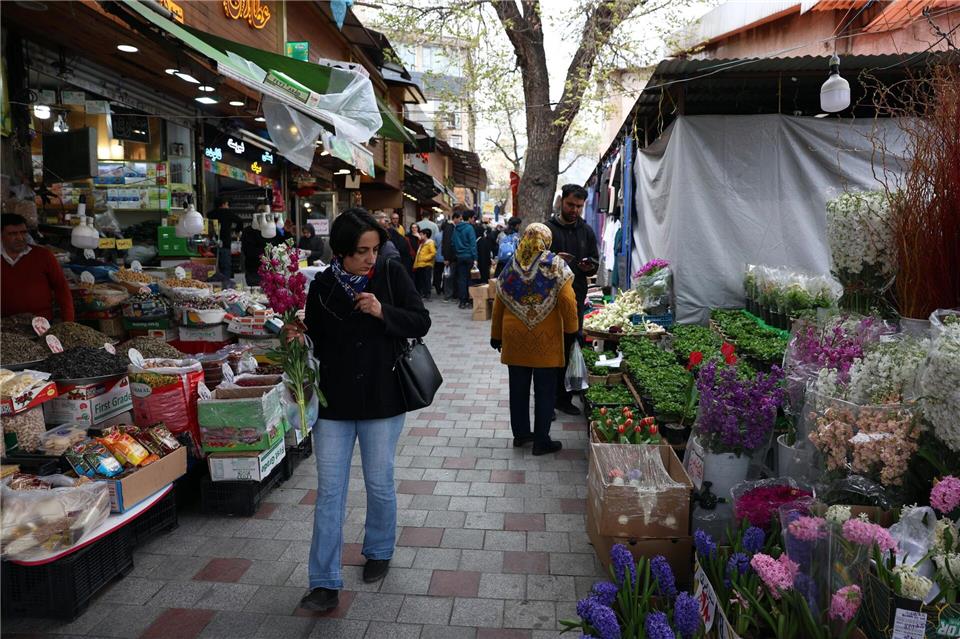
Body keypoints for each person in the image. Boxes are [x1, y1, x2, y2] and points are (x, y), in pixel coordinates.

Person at [297, 207, 430, 612]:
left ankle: (379, 550)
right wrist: (298, 335)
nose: (371, 257)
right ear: (341, 252)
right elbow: (316, 338)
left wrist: (382, 311)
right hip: (334, 403)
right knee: (330, 492)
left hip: (382, 397)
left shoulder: (390, 273)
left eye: (374, 249)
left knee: (379, 482)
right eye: (361, 251)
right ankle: (324, 582)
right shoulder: (322, 285)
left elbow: (420, 321)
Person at [491, 223, 577, 456]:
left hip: (514, 340)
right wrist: (572, 329)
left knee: (518, 390)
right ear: (546, 240)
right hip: (546, 341)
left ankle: (521, 435)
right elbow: (567, 300)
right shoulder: (555, 264)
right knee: (545, 391)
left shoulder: (511, 265)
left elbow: (499, 301)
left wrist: (496, 335)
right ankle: (541, 441)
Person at [547, 184, 599, 415]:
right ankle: (546, 401)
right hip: (548, 300)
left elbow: (594, 263)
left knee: (570, 345)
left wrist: (589, 266)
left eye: (579, 206)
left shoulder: (586, 231)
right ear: (562, 201)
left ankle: (564, 398)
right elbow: (534, 263)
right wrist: (553, 261)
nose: (574, 210)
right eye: (570, 205)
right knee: (549, 349)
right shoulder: (548, 230)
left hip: (576, 298)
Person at [1, 213, 74, 321]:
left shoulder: (44, 256)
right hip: (4, 324)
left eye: (23, 232)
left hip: (40, 323)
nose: (20, 238)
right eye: (12, 234)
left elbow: (62, 288)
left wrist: (68, 321)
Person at [206, 196, 242, 280]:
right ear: (223, 204)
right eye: (227, 204)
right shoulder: (228, 213)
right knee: (226, 267)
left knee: (214, 267)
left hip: (212, 244)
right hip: (225, 243)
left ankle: (215, 284)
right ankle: (225, 284)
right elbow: (240, 221)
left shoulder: (210, 214)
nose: (228, 206)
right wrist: (237, 232)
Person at [451, 208, 478, 309]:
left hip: (459, 257)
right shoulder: (470, 228)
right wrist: (475, 258)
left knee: (461, 279)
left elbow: (453, 243)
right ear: (469, 218)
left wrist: (458, 252)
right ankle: (470, 301)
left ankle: (462, 301)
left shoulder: (456, 228)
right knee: (470, 279)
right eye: (473, 218)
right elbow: (473, 244)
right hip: (469, 256)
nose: (474, 220)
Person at [413, 228, 436, 299]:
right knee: (422, 280)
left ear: (425, 235)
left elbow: (433, 253)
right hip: (420, 264)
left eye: (421, 234)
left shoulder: (430, 243)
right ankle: (423, 293)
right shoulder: (422, 243)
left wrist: (425, 258)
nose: (420, 236)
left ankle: (427, 294)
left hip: (426, 264)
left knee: (427, 279)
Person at [440, 213, 459, 300]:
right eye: (459, 219)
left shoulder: (452, 227)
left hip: (452, 256)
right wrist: (446, 258)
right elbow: (447, 243)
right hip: (450, 257)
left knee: (450, 275)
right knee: (449, 276)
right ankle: (448, 295)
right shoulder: (449, 228)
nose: (460, 221)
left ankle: (451, 294)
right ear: (455, 218)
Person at [432, 222, 445, 296]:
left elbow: (435, 245)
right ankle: (444, 288)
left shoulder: (436, 235)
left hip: (438, 258)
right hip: (445, 258)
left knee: (438, 274)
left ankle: (438, 288)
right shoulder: (449, 235)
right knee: (446, 274)